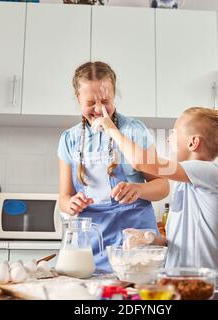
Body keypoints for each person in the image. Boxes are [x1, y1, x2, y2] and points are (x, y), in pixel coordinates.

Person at [94, 106, 218, 288]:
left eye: (174, 132)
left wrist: (111, 129)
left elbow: (141, 162)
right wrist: (149, 238)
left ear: (193, 143)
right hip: (179, 286)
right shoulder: (184, 184)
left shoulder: (209, 172)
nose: (169, 138)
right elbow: (178, 243)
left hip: (204, 287)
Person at [57, 61, 170, 272]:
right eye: (90, 102)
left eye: (105, 101)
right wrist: (71, 204)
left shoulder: (135, 130)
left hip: (136, 243)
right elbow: (63, 198)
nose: (99, 109)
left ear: (115, 95)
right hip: (90, 246)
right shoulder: (69, 140)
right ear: (78, 99)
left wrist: (139, 189)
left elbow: (162, 185)